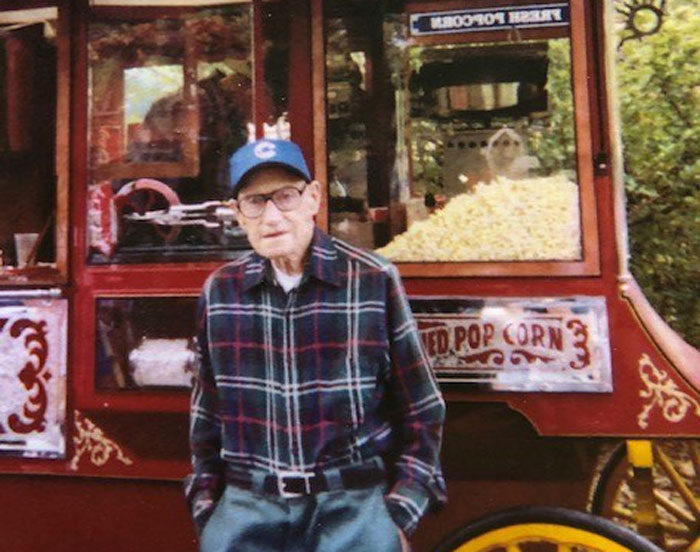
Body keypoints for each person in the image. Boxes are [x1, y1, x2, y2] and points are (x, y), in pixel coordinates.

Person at [185, 138, 446, 551]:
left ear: (313, 198)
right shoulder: (221, 290)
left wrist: (399, 513)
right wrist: (208, 510)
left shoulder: (372, 279)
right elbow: (206, 417)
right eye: (255, 202)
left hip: (353, 510)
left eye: (285, 197)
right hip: (247, 512)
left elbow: (422, 407)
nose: (272, 217)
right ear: (237, 213)